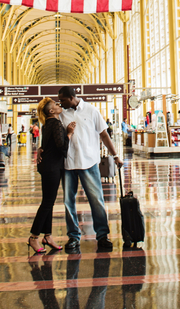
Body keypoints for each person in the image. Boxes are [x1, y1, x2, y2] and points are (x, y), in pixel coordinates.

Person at [55, 86, 123, 253]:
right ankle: (73, 236)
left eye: (62, 99)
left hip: (89, 163)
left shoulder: (92, 111)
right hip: (69, 165)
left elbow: (104, 134)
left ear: (71, 97)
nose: (60, 103)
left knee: (96, 200)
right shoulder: (61, 114)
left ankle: (102, 235)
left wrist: (115, 156)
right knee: (68, 202)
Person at [28, 97, 76, 254]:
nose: (58, 105)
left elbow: (47, 144)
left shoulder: (47, 124)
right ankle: (34, 237)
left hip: (48, 166)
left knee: (49, 202)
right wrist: (69, 133)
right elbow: (62, 147)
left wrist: (41, 149)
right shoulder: (55, 123)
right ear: (51, 111)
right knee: (47, 202)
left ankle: (47, 236)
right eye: (55, 104)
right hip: (52, 167)